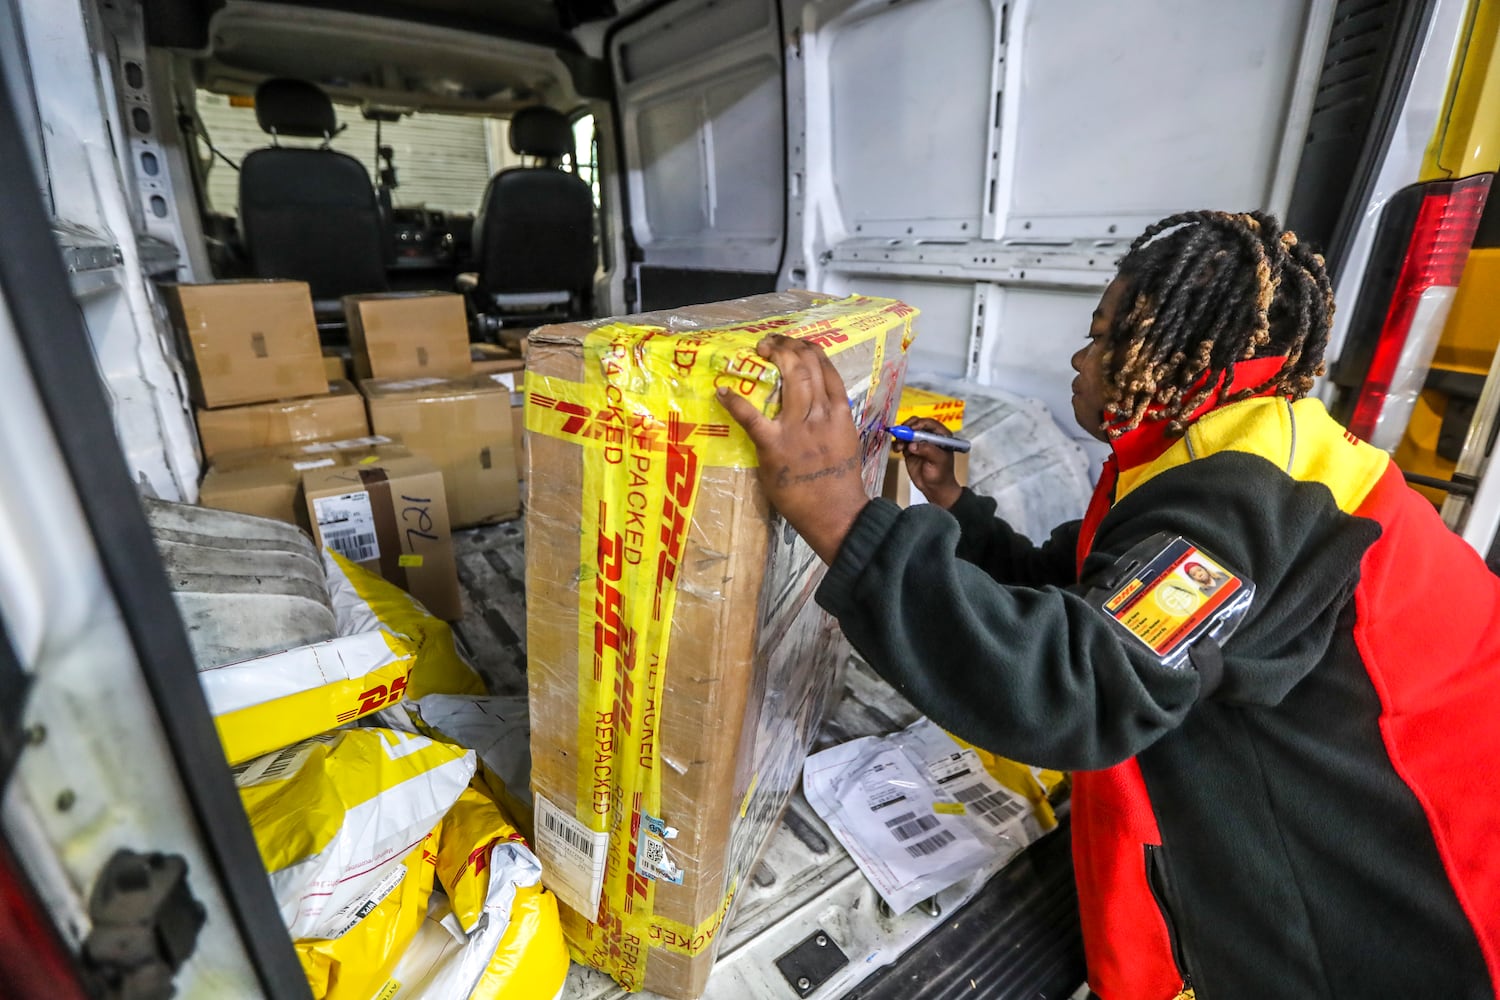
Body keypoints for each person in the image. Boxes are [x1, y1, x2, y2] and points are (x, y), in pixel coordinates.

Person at [717, 211, 1500, 1000]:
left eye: (1100, 337)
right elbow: (1081, 588)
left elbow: (1075, 688)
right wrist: (955, 509)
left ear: (1169, 348)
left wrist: (836, 510)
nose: (1079, 358)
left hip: (1427, 897)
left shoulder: (1249, 500)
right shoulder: (1232, 443)